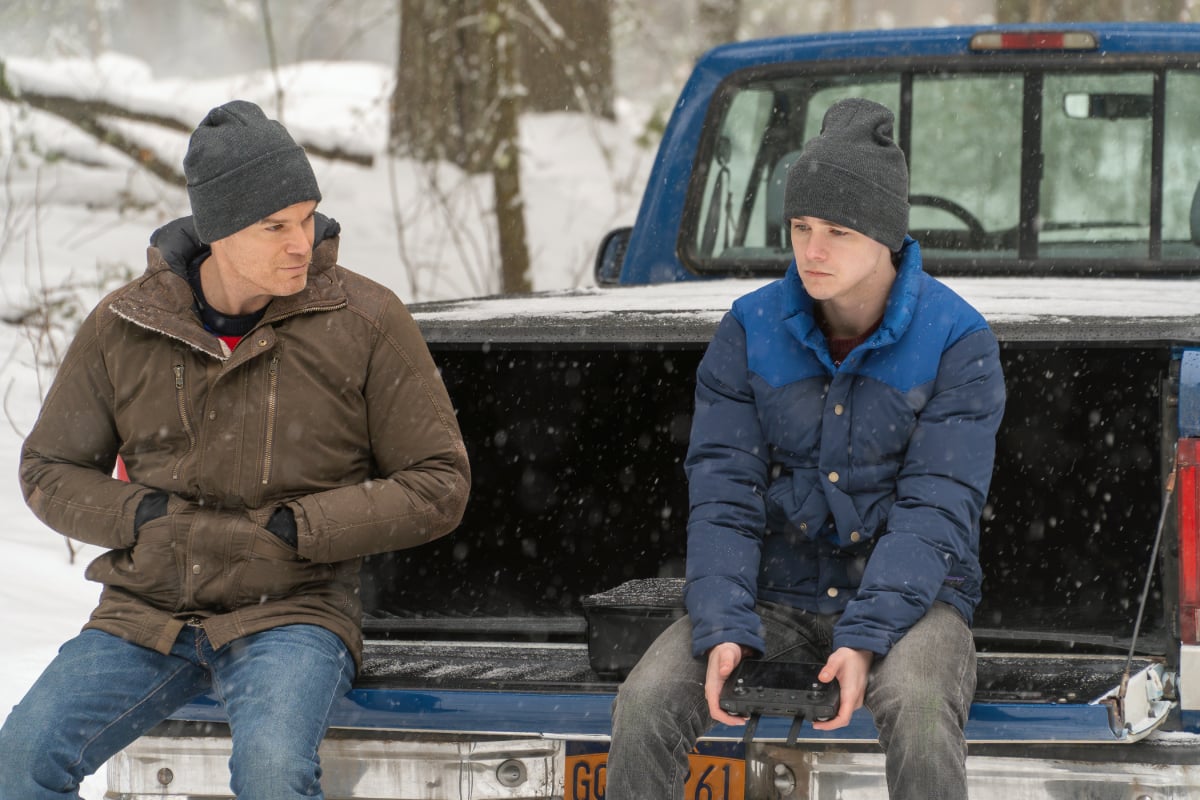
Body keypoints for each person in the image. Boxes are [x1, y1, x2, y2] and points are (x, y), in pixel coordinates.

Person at [0, 100, 471, 799]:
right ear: (217, 231)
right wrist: (142, 518)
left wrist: (299, 529)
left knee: (274, 775)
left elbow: (439, 482)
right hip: (147, 611)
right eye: (275, 226)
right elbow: (48, 470)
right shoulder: (123, 324)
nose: (300, 243)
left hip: (293, 610)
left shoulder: (367, 319)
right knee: (21, 760)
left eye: (308, 217)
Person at [606, 97, 1006, 800]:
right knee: (643, 703)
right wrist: (724, 621)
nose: (811, 251)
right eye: (800, 227)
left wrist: (868, 634)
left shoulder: (957, 340)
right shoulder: (750, 329)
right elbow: (724, 490)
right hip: (772, 594)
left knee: (916, 707)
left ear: (885, 236)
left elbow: (937, 508)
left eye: (837, 232)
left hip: (917, 603)